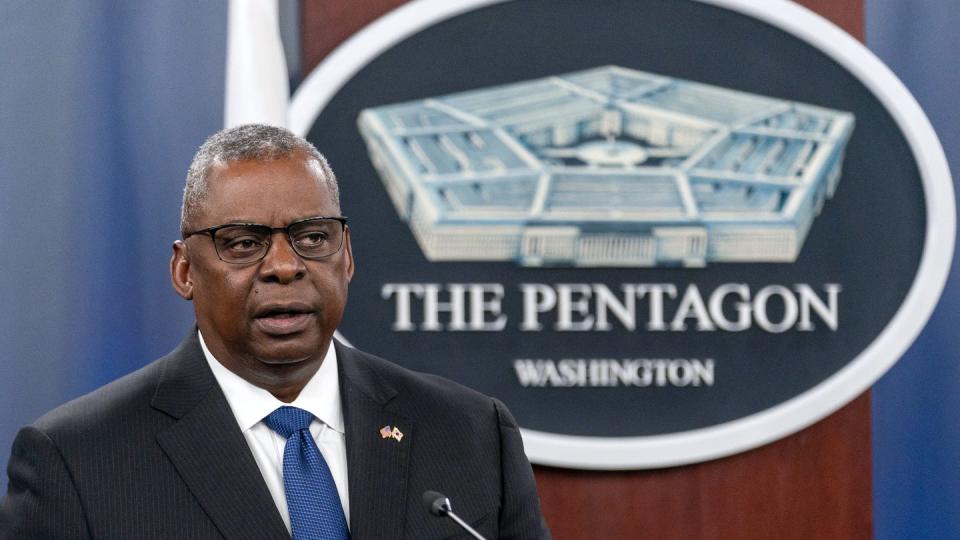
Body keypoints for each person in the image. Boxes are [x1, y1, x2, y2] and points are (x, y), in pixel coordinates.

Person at [0, 124, 550, 539]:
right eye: (242, 242)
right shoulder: (77, 461)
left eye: (313, 237)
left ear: (347, 256)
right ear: (184, 271)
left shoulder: (471, 433)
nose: (284, 265)